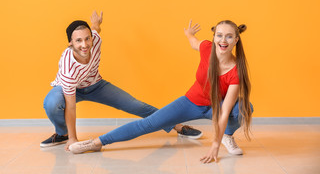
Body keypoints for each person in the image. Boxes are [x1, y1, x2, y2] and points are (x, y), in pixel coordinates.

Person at [69, 19, 254, 163]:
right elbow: (193, 42)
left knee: (245, 107)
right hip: (191, 102)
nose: (223, 40)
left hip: (216, 107)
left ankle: (226, 136)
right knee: (148, 124)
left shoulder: (236, 70)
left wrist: (215, 144)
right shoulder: (207, 48)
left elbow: (225, 112)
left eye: (229, 36)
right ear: (214, 37)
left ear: (236, 40)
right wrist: (189, 34)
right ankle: (96, 143)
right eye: (219, 35)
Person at [41, 11, 202, 150]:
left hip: (96, 85)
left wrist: (96, 23)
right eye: (78, 41)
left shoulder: (96, 41)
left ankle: (177, 126)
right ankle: (63, 134)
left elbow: (96, 29)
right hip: (69, 89)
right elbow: (70, 107)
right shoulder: (69, 66)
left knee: (136, 105)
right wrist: (73, 139)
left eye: (87, 39)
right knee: (51, 103)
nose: (85, 45)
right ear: (70, 43)